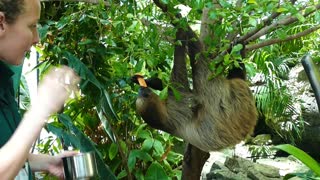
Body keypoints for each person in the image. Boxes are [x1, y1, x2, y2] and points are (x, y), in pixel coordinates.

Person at [0, 0, 80, 179]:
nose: (37, 38)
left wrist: (46, 162)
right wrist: (40, 109)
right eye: (32, 25)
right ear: (1, 23)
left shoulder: (3, 81)